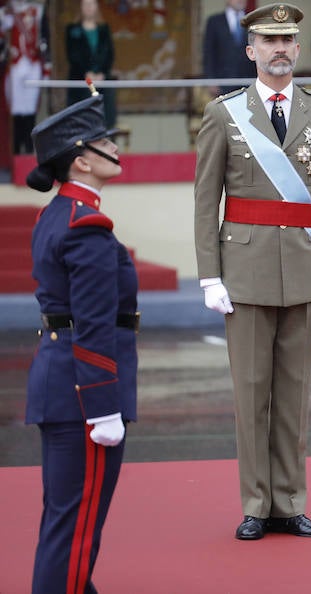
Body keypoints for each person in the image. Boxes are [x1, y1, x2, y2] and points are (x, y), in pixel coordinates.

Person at [194, 3, 311, 539]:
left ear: (298, 50)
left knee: (293, 398)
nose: (280, 48)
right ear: (251, 50)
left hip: (305, 268)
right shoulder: (224, 114)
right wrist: (209, 276)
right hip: (245, 269)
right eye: (269, 40)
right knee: (250, 395)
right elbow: (205, 200)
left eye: (288, 41)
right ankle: (256, 506)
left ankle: (291, 501)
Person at [25, 92, 137, 594]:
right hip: (82, 394)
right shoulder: (86, 227)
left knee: (66, 519)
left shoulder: (58, 215)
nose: (116, 148)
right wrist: (102, 407)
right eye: (105, 142)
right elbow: (93, 324)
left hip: (59, 382)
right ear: (82, 159)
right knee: (76, 527)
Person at [1, 0, 49, 154]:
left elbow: (45, 38)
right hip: (15, 65)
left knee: (30, 110)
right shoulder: (10, 10)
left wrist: (47, 68)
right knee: (16, 109)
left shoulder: (39, 10)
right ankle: (16, 152)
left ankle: (28, 151)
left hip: (33, 64)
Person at [66, 0, 116, 128]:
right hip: (81, 79)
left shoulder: (104, 29)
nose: (88, 7)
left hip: (101, 79)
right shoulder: (72, 29)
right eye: (85, 4)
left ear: (96, 7)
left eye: (91, 4)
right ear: (81, 7)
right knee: (83, 115)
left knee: (105, 107)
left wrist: (102, 73)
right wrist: (86, 74)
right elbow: (72, 55)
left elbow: (109, 54)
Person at [202, 0, 257, 96]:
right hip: (223, 82)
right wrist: (211, 80)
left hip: (250, 81)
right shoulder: (214, 21)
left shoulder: (253, 21)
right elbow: (209, 53)